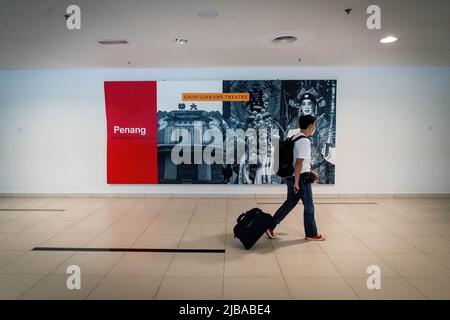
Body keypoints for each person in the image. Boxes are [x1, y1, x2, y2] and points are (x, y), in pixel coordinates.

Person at [266, 115, 326, 241]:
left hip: (293, 176)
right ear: (310, 126)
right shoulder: (304, 141)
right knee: (309, 206)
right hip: (301, 179)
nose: (314, 127)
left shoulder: (294, 137)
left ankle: (270, 226)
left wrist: (310, 171)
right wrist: (297, 182)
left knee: (289, 203)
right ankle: (311, 234)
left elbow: (296, 162)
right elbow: (298, 162)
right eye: (313, 125)